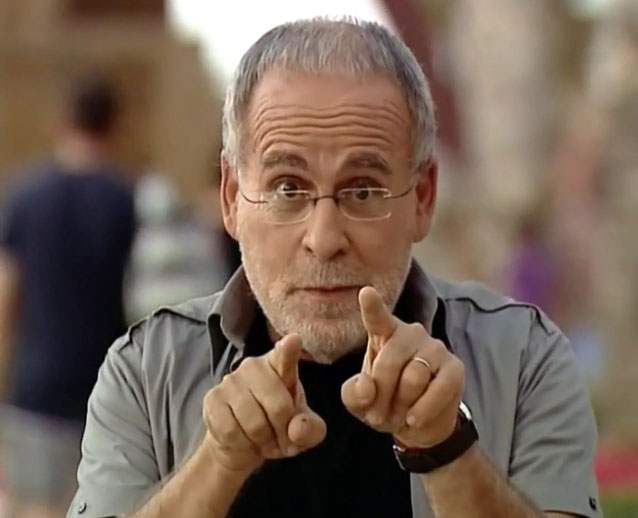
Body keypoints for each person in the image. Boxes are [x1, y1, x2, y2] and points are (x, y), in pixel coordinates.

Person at [68, 19, 600, 518]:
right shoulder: (146, 371)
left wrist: (446, 448)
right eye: (287, 188)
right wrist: (219, 462)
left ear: (422, 197)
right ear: (231, 199)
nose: (324, 241)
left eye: (363, 190)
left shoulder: (523, 358)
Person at [0, 74, 136, 518]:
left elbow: (7, 297)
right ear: (114, 124)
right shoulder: (126, 201)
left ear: (62, 121)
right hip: (104, 389)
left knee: (28, 504)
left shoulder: (24, 196)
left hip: (34, 385)